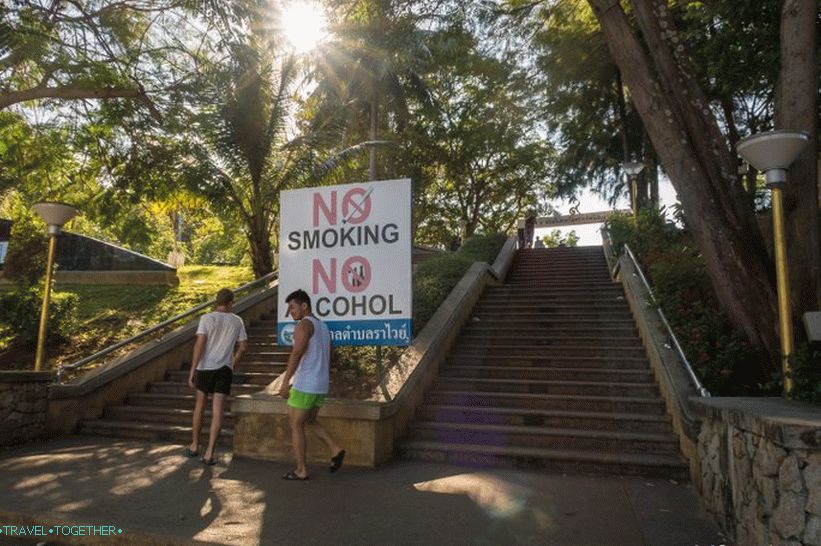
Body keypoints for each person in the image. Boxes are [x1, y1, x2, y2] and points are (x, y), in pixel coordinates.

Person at [278, 289, 345, 480]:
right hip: (320, 384)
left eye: (292, 307)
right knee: (309, 420)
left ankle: (301, 470)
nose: (290, 311)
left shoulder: (304, 325)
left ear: (304, 305)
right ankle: (335, 449)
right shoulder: (322, 326)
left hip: (306, 383)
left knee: (295, 424)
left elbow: (297, 353)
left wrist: (285, 382)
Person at [186, 288, 247, 465]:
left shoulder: (207, 318)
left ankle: (195, 445)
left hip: (205, 368)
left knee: (200, 406)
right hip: (224, 369)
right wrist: (232, 363)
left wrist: (193, 370)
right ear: (230, 303)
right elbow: (243, 347)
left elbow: (200, 344)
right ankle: (210, 452)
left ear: (217, 301)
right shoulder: (237, 321)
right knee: (217, 410)